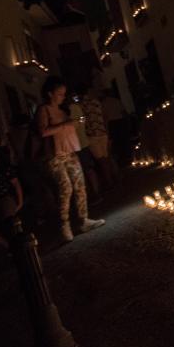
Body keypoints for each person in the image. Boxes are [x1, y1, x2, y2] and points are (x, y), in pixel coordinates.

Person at [35, 76, 105, 242]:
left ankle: (83, 220)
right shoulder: (43, 110)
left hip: (71, 152)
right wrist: (66, 125)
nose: (63, 97)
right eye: (59, 94)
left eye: (64, 94)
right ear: (50, 93)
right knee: (65, 188)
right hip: (54, 155)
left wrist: (74, 123)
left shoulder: (63, 110)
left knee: (80, 185)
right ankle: (64, 225)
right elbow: (43, 132)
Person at [79, 84, 117, 190]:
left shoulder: (81, 105)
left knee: (101, 160)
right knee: (107, 157)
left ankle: (110, 181)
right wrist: (106, 130)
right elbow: (105, 117)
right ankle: (114, 177)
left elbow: (82, 121)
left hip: (92, 135)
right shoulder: (96, 102)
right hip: (102, 132)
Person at [68, 92, 101, 204]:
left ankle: (93, 194)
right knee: (87, 170)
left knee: (85, 170)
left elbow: (81, 120)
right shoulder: (76, 107)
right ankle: (94, 193)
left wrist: (76, 125)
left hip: (77, 144)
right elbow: (83, 119)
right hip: (80, 142)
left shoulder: (70, 109)